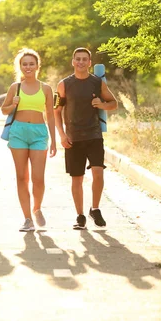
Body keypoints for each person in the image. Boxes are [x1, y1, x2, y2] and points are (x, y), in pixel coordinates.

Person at [54, 47, 117, 230]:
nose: (81, 62)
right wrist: (62, 135)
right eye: (78, 59)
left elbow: (114, 103)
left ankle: (95, 209)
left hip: (94, 135)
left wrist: (102, 104)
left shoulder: (97, 83)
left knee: (98, 173)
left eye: (84, 59)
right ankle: (80, 215)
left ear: (89, 63)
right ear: (73, 62)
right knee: (77, 178)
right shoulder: (64, 84)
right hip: (73, 138)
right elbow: (56, 111)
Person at [1, 48, 56, 232]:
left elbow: (50, 114)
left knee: (38, 178)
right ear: (20, 66)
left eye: (31, 63)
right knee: (22, 177)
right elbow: (4, 110)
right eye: (24, 64)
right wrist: (13, 103)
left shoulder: (46, 89)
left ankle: (37, 208)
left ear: (37, 66)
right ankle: (27, 218)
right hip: (18, 132)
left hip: (39, 133)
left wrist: (54, 141)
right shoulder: (14, 87)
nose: (28, 67)